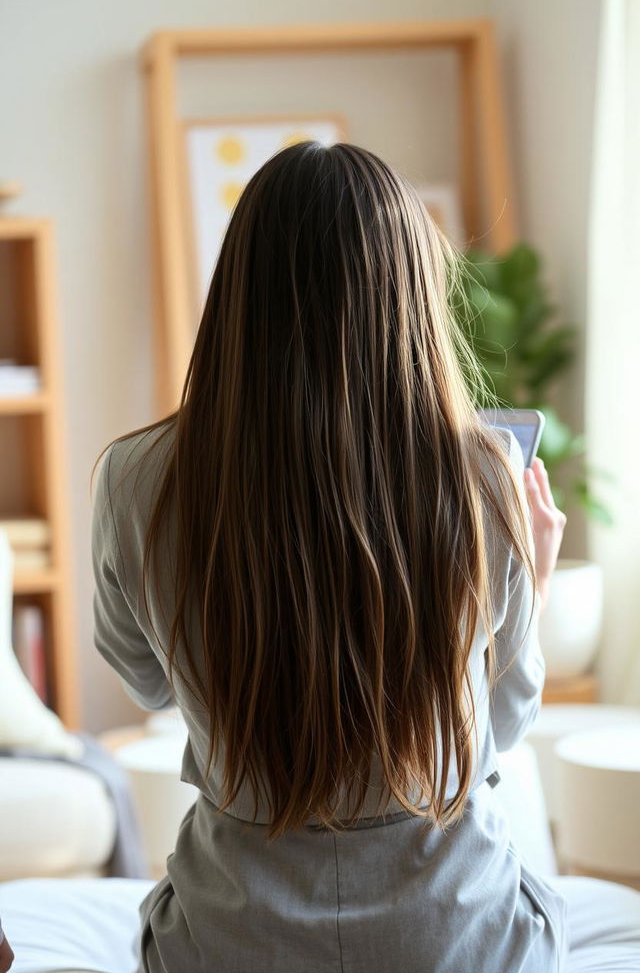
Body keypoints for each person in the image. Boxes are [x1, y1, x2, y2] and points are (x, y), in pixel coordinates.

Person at [84, 142, 638, 972]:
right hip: (457, 938)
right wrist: (536, 577)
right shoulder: (486, 475)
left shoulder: (136, 480)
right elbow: (506, 724)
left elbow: (149, 681)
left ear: (238, 292)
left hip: (228, 940)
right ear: (410, 294)